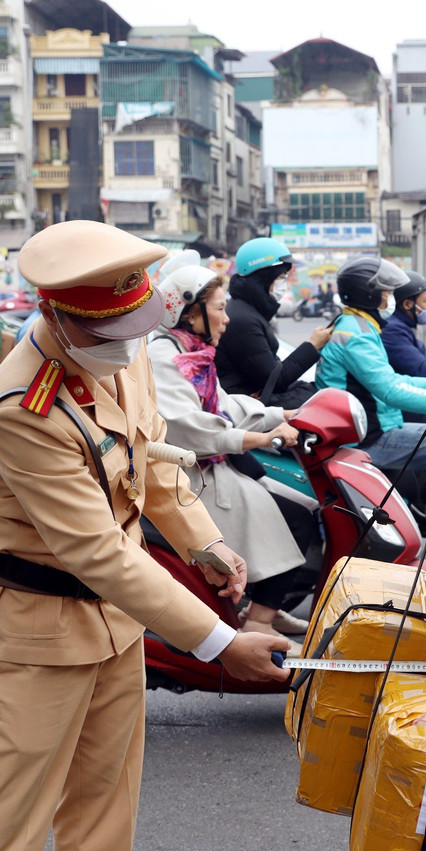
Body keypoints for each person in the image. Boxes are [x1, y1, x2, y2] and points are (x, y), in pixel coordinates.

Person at [0, 220, 289, 851]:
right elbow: (97, 550)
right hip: (32, 636)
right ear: (57, 315)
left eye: (135, 327)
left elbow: (150, 460)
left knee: (103, 821)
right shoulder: (23, 407)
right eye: (112, 333)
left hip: (115, 627)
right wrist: (220, 642)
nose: (131, 344)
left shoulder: (119, 350)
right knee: (4, 834)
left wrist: (205, 542)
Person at [150, 259, 319, 637]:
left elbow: (227, 405)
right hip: (193, 480)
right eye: (219, 309)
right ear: (191, 312)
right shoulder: (165, 358)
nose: (226, 320)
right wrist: (259, 438)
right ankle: (258, 621)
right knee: (297, 517)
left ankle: (266, 610)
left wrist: (282, 413)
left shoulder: (194, 352)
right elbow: (191, 428)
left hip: (219, 469)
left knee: (307, 508)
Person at [316, 257, 426, 514]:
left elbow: (393, 379)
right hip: (364, 438)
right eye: (387, 293)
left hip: (378, 427)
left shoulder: (361, 326)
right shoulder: (356, 335)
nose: (391, 299)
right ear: (369, 296)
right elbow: (390, 390)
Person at [214, 236, 331, 408]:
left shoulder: (248, 311)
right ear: (263, 278)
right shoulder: (243, 320)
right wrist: (312, 346)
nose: (284, 283)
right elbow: (276, 379)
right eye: (281, 277)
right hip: (241, 406)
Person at [382, 269, 426, 383]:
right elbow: (421, 368)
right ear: (407, 304)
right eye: (425, 301)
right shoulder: (392, 330)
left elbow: (424, 360)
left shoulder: (399, 325)